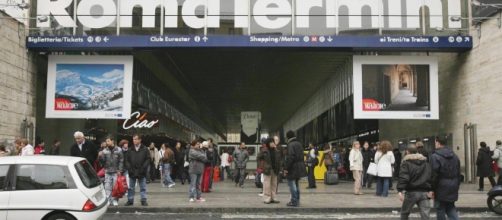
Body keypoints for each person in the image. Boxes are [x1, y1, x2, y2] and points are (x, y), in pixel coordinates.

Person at [397, 145, 433, 220]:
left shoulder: (406, 163)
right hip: (424, 192)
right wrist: (431, 189)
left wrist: (400, 190)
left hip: (411, 192)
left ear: (407, 152)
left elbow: (404, 177)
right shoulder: (425, 163)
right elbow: (430, 177)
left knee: (405, 213)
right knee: (425, 215)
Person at [431, 136, 461, 220]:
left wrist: (432, 189)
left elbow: (434, 175)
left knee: (440, 208)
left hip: (441, 186)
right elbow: (458, 173)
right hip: (453, 185)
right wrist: (456, 185)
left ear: (438, 143)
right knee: (450, 207)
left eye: (435, 142)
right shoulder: (455, 156)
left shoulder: (435, 156)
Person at [125, 134, 151, 206]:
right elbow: (127, 160)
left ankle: (143, 200)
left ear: (140, 140)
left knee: (143, 187)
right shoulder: (130, 149)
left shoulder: (145, 149)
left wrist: (143, 168)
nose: (134, 141)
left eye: (136, 139)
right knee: (131, 187)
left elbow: (148, 159)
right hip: (132, 171)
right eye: (133, 139)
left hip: (141, 171)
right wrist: (129, 169)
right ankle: (130, 200)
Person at [98, 136, 124, 206]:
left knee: (115, 187)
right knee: (107, 186)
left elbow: (121, 160)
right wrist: (100, 157)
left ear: (112, 141)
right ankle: (108, 200)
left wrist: (120, 170)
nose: (107, 142)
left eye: (108, 141)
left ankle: (115, 200)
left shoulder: (119, 149)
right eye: (106, 141)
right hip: (107, 171)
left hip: (116, 171)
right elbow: (102, 163)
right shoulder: (104, 150)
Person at [284, 130, 307, 207]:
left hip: (293, 167)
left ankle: (294, 201)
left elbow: (291, 157)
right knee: (296, 184)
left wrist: (286, 168)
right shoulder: (299, 143)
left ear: (287, 137)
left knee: (292, 184)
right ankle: (297, 200)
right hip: (300, 166)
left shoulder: (290, 144)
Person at [257, 137, 281, 204]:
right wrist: (262, 166)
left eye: (273, 142)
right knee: (267, 184)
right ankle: (267, 198)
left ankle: (274, 197)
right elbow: (258, 158)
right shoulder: (264, 150)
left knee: (274, 184)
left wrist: (280, 168)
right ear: (268, 143)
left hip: (275, 169)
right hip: (267, 170)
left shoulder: (276, 151)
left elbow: (279, 160)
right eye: (271, 142)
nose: (272, 143)